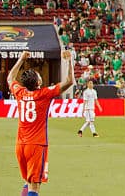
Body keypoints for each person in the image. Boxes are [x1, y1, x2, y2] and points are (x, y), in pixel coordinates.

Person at [9, 49, 75, 196]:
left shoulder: (20, 92)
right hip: (36, 145)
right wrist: (70, 60)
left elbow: (9, 78)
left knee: (28, 180)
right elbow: (70, 81)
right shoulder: (44, 94)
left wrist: (20, 59)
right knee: (35, 186)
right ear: (38, 82)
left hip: (21, 144)